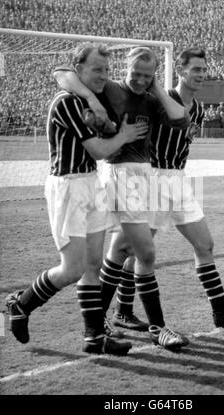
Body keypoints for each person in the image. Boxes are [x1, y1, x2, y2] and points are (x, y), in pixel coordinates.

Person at [5, 43, 150, 356]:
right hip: (68, 186)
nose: (103, 75)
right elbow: (98, 150)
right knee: (72, 268)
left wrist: (107, 119)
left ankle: (94, 337)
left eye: (107, 70)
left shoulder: (91, 99)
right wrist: (123, 136)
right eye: (97, 69)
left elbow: (101, 137)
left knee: (93, 265)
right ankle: (21, 304)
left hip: (91, 182)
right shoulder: (67, 101)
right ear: (79, 69)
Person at [107, 48, 224, 331]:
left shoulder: (198, 109)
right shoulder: (159, 100)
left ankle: (220, 310)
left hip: (179, 180)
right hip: (152, 179)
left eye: (203, 70)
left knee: (205, 245)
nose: (201, 74)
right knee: (134, 250)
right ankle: (121, 311)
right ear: (180, 70)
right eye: (195, 69)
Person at [54, 46, 191, 350]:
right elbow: (61, 73)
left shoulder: (152, 99)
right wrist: (92, 100)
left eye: (147, 75)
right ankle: (158, 328)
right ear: (124, 69)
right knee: (147, 253)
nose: (140, 80)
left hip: (142, 175)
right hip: (120, 175)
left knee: (120, 252)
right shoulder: (112, 90)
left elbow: (180, 118)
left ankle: (98, 322)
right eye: (135, 73)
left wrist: (155, 84)